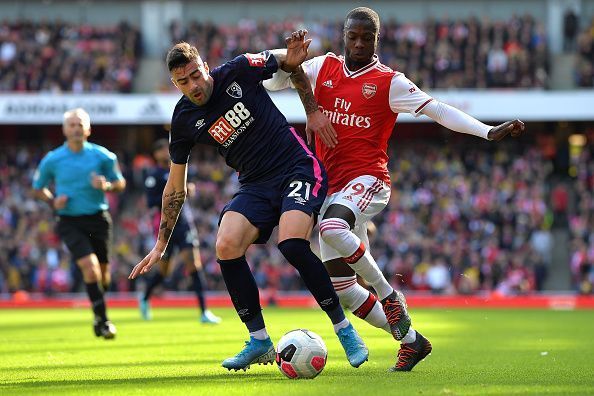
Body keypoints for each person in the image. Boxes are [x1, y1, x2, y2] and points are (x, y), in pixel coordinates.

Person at [264, 6, 525, 371]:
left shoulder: (390, 81)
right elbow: (272, 80)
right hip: (331, 188)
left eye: (365, 38)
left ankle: (388, 295)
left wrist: (487, 131)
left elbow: (439, 110)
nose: (357, 43)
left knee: (331, 228)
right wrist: (283, 60)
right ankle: (412, 342)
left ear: (376, 40)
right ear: (343, 36)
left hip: (368, 181)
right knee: (346, 292)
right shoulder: (321, 67)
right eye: (352, 37)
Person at [128, 30, 369, 371]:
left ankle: (344, 330)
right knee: (225, 245)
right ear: (175, 83)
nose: (194, 85)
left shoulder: (239, 69)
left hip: (296, 167)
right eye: (183, 81)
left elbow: (291, 64)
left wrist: (312, 110)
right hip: (255, 184)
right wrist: (160, 245)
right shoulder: (183, 121)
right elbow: (174, 186)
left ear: (205, 66)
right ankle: (259, 341)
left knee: (292, 243)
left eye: (196, 74)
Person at [32, 108, 126, 339]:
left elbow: (120, 183)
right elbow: (38, 188)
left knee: (103, 275)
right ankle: (103, 321)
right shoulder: (53, 159)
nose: (75, 128)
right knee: (90, 268)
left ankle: (97, 313)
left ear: (88, 129)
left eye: (79, 124)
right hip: (69, 220)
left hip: (98, 219)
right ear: (64, 130)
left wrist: (106, 186)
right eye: (71, 124)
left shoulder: (103, 156)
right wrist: (53, 201)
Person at [139, 138, 221, 324]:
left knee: (194, 264)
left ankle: (204, 311)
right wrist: (173, 195)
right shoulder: (154, 175)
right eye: (162, 150)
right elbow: (152, 203)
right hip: (166, 226)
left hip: (183, 223)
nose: (166, 153)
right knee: (164, 271)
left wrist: (186, 191)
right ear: (156, 154)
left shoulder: (178, 170)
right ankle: (144, 298)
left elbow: (183, 191)